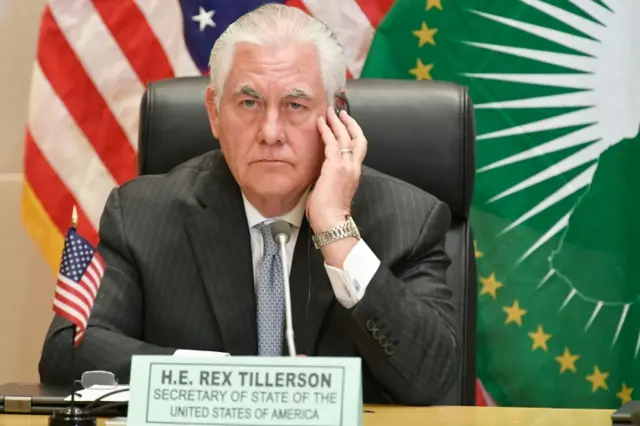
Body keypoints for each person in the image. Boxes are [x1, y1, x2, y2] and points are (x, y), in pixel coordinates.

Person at [38, 3, 459, 406]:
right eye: (249, 103)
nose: (271, 131)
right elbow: (69, 350)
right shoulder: (142, 214)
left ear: (337, 117)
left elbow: (431, 378)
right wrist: (232, 378)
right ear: (214, 114)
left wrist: (336, 228)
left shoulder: (407, 220)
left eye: (295, 105)